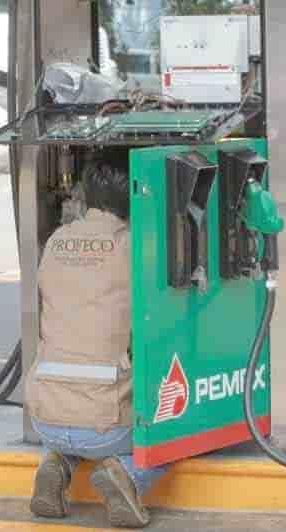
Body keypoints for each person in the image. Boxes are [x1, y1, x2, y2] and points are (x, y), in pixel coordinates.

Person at [25, 159, 168, 529]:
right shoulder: (136, 246)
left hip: (45, 419)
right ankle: (128, 474)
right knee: (178, 414)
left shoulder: (55, 242)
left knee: (74, 410)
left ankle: (56, 463)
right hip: (108, 428)